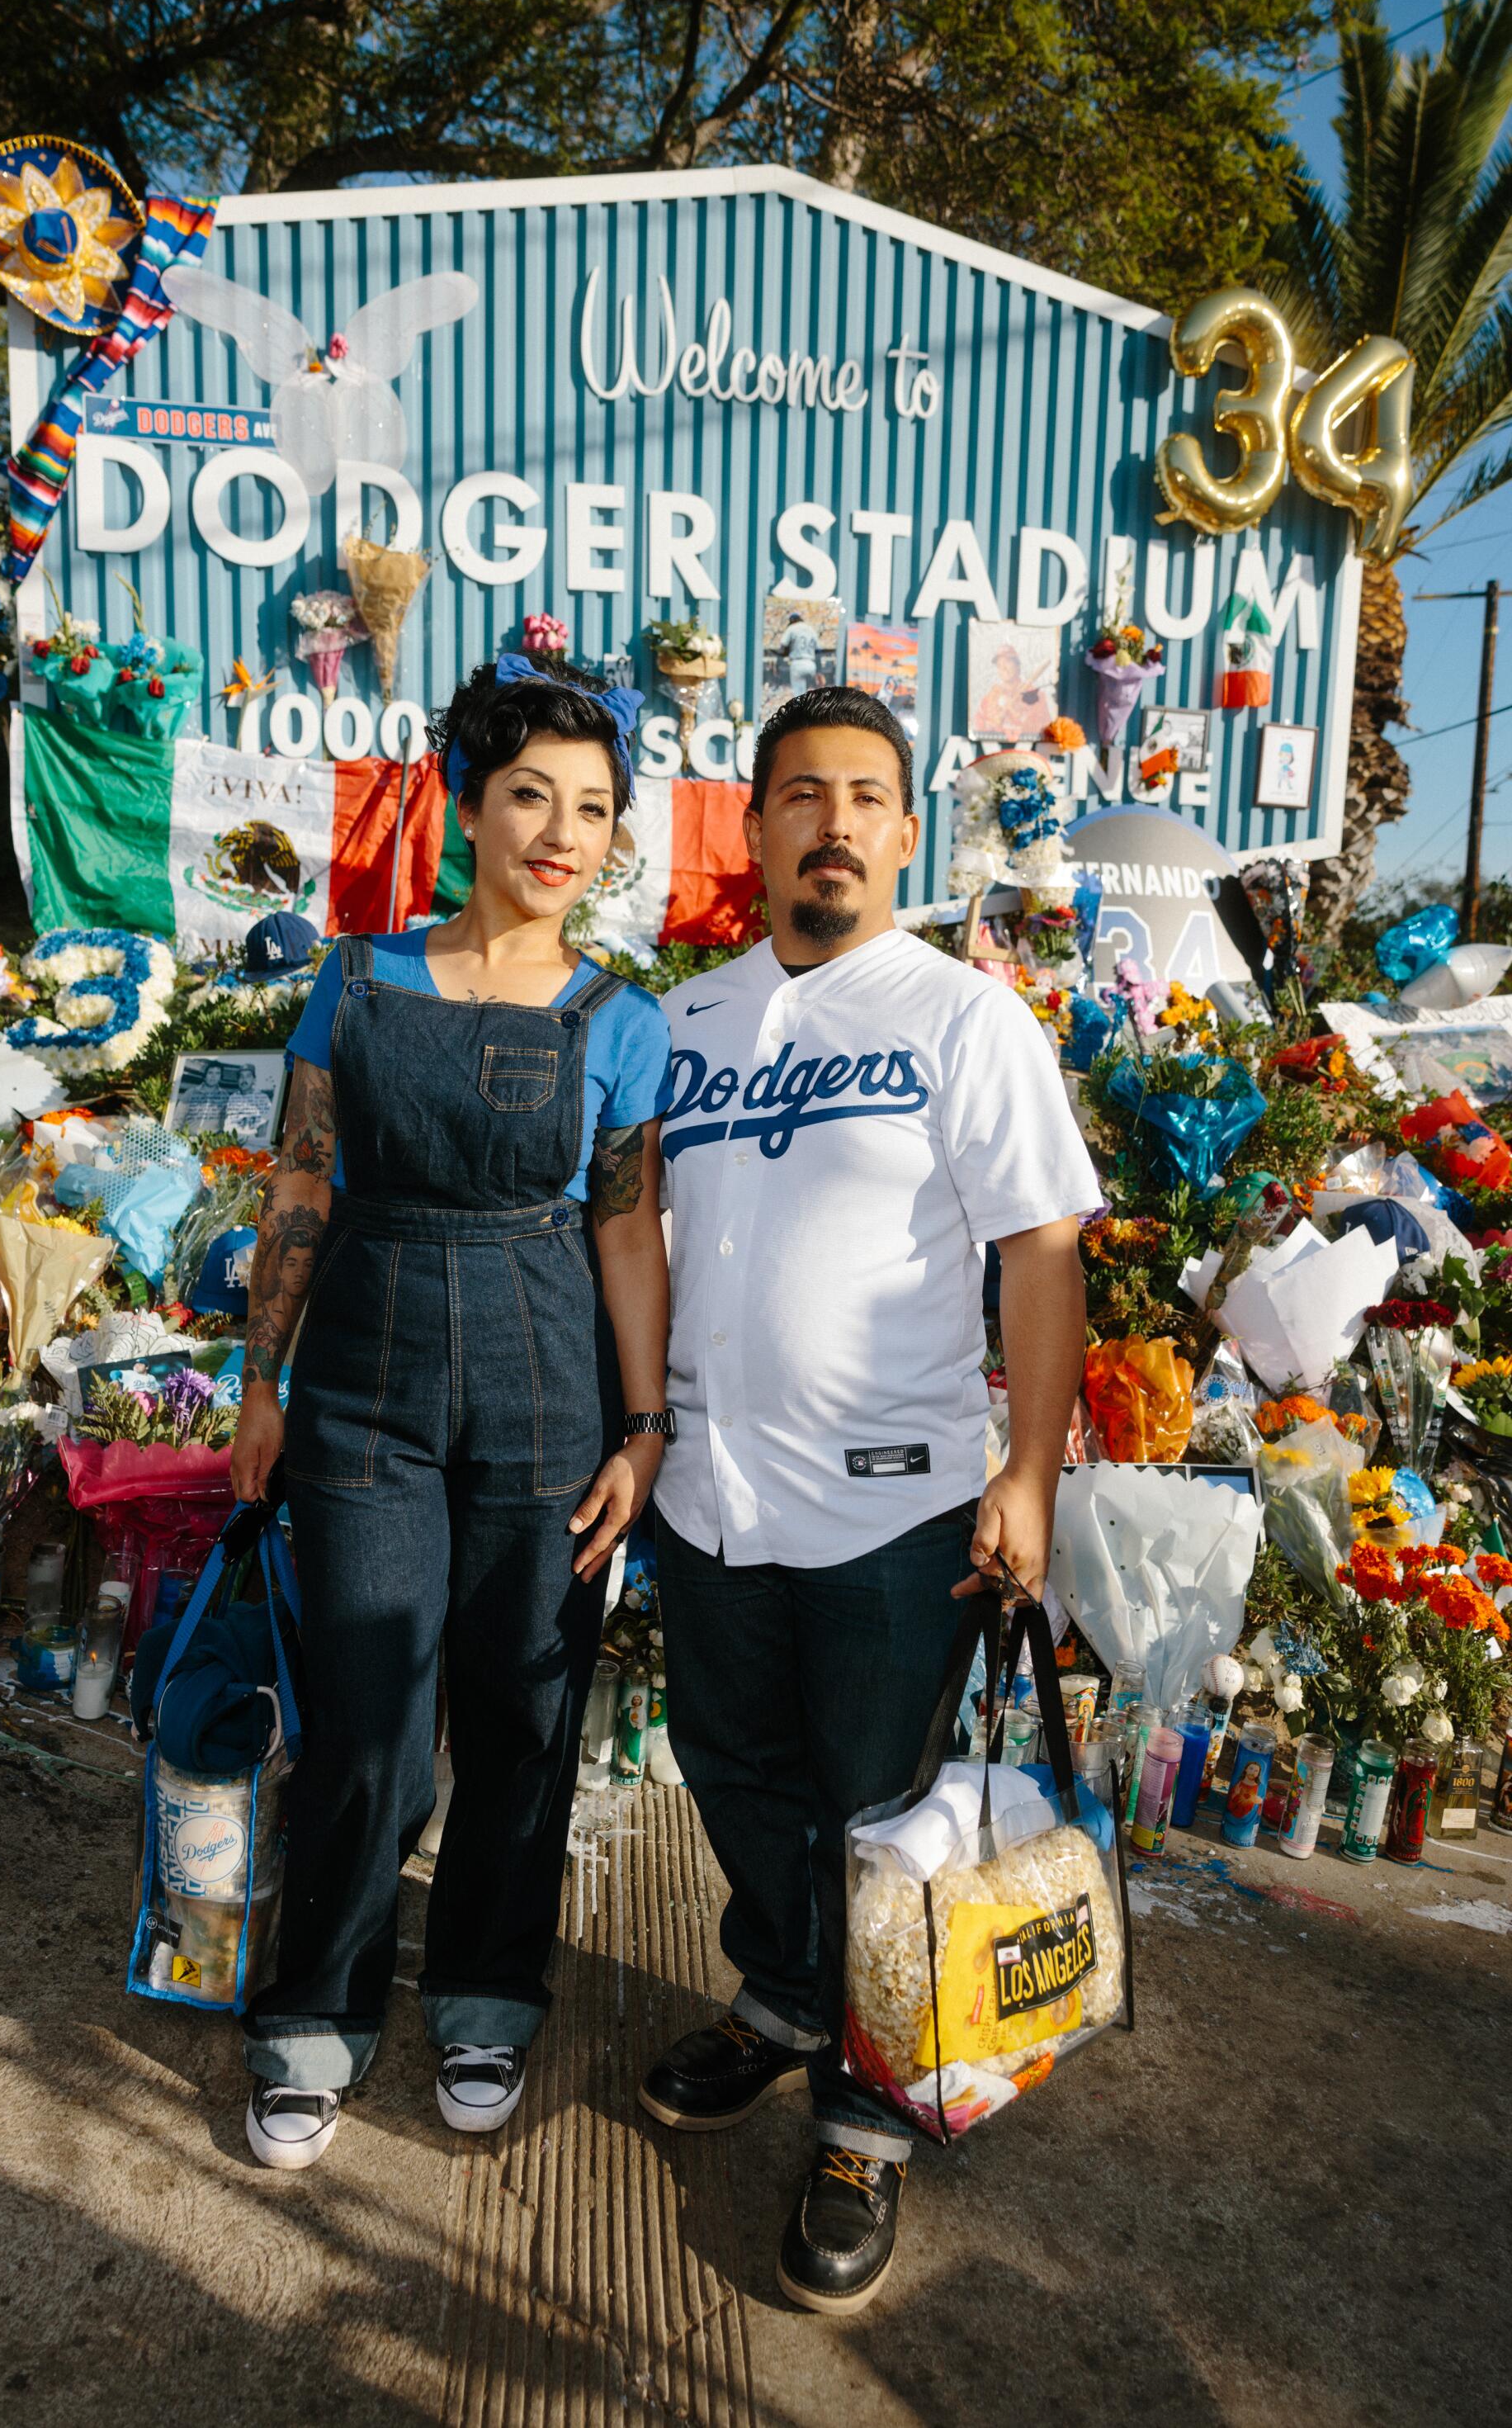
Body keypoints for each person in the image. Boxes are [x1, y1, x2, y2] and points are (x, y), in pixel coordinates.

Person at [638, 687, 1097, 2314]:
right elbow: (642, 1251)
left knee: (883, 1817)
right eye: (800, 793)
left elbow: (1043, 1247)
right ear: (751, 825)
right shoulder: (683, 1022)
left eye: (865, 795)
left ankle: (866, 2109)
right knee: (733, 1768)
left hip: (892, 1514)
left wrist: (1027, 1473)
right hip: (704, 1496)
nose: (833, 820)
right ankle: (780, 1997)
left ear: (905, 832)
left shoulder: (966, 1017)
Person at [229, 651, 673, 2170]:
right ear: (471, 808)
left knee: (524, 1709)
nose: (561, 831)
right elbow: (299, 1182)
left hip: (551, 1374)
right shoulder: (356, 980)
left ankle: (485, 1990)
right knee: (366, 1719)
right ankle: (317, 2013)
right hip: (363, 1366)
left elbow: (625, 1226)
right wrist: (260, 1379)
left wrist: (647, 1425)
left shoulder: (623, 1017)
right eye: (531, 795)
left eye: (594, 808)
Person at [975, 641, 1054, 743]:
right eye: (999, 665)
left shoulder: (1034, 694)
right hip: (994, 749)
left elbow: (1043, 729)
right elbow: (979, 727)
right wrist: (995, 722)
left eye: (1008, 662)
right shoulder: (990, 697)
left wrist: (1013, 710)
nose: (1004, 668)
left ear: (1018, 666)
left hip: (1027, 750)